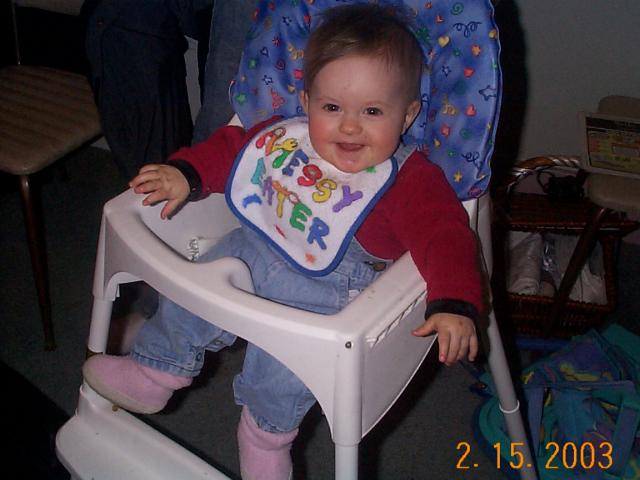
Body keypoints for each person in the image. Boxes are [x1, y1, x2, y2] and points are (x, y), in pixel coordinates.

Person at [82, 5, 482, 479]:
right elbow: (233, 149)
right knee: (195, 291)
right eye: (332, 108)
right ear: (307, 100)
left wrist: (454, 300)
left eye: (373, 111)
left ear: (408, 113)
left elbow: (446, 234)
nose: (350, 126)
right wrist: (187, 172)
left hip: (330, 292)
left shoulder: (410, 178)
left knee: (283, 370)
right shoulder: (287, 137)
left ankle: (265, 435)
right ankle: (156, 369)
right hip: (257, 247)